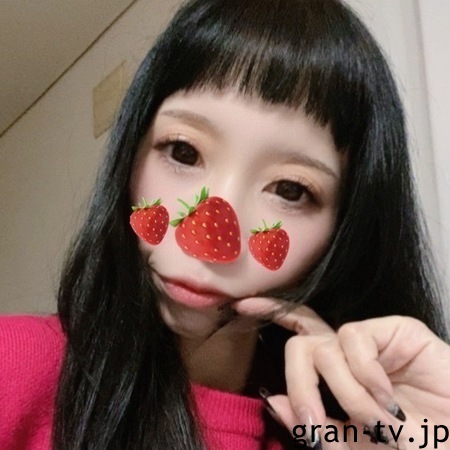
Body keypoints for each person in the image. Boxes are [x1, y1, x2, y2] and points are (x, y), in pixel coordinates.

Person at [1, 0, 449, 449]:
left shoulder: (352, 429)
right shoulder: (14, 367)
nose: (207, 242)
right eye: (183, 152)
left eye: (290, 190)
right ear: (131, 152)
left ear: (345, 229)